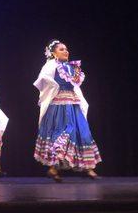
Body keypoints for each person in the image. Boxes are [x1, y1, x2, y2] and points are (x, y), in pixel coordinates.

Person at [33, 40, 102, 182]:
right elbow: (42, 81)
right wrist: (54, 85)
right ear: (54, 53)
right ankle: (53, 169)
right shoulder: (51, 65)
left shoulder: (72, 68)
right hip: (58, 106)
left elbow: (76, 86)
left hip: (73, 104)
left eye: (66, 49)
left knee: (83, 133)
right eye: (62, 49)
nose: (66, 51)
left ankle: (89, 168)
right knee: (62, 133)